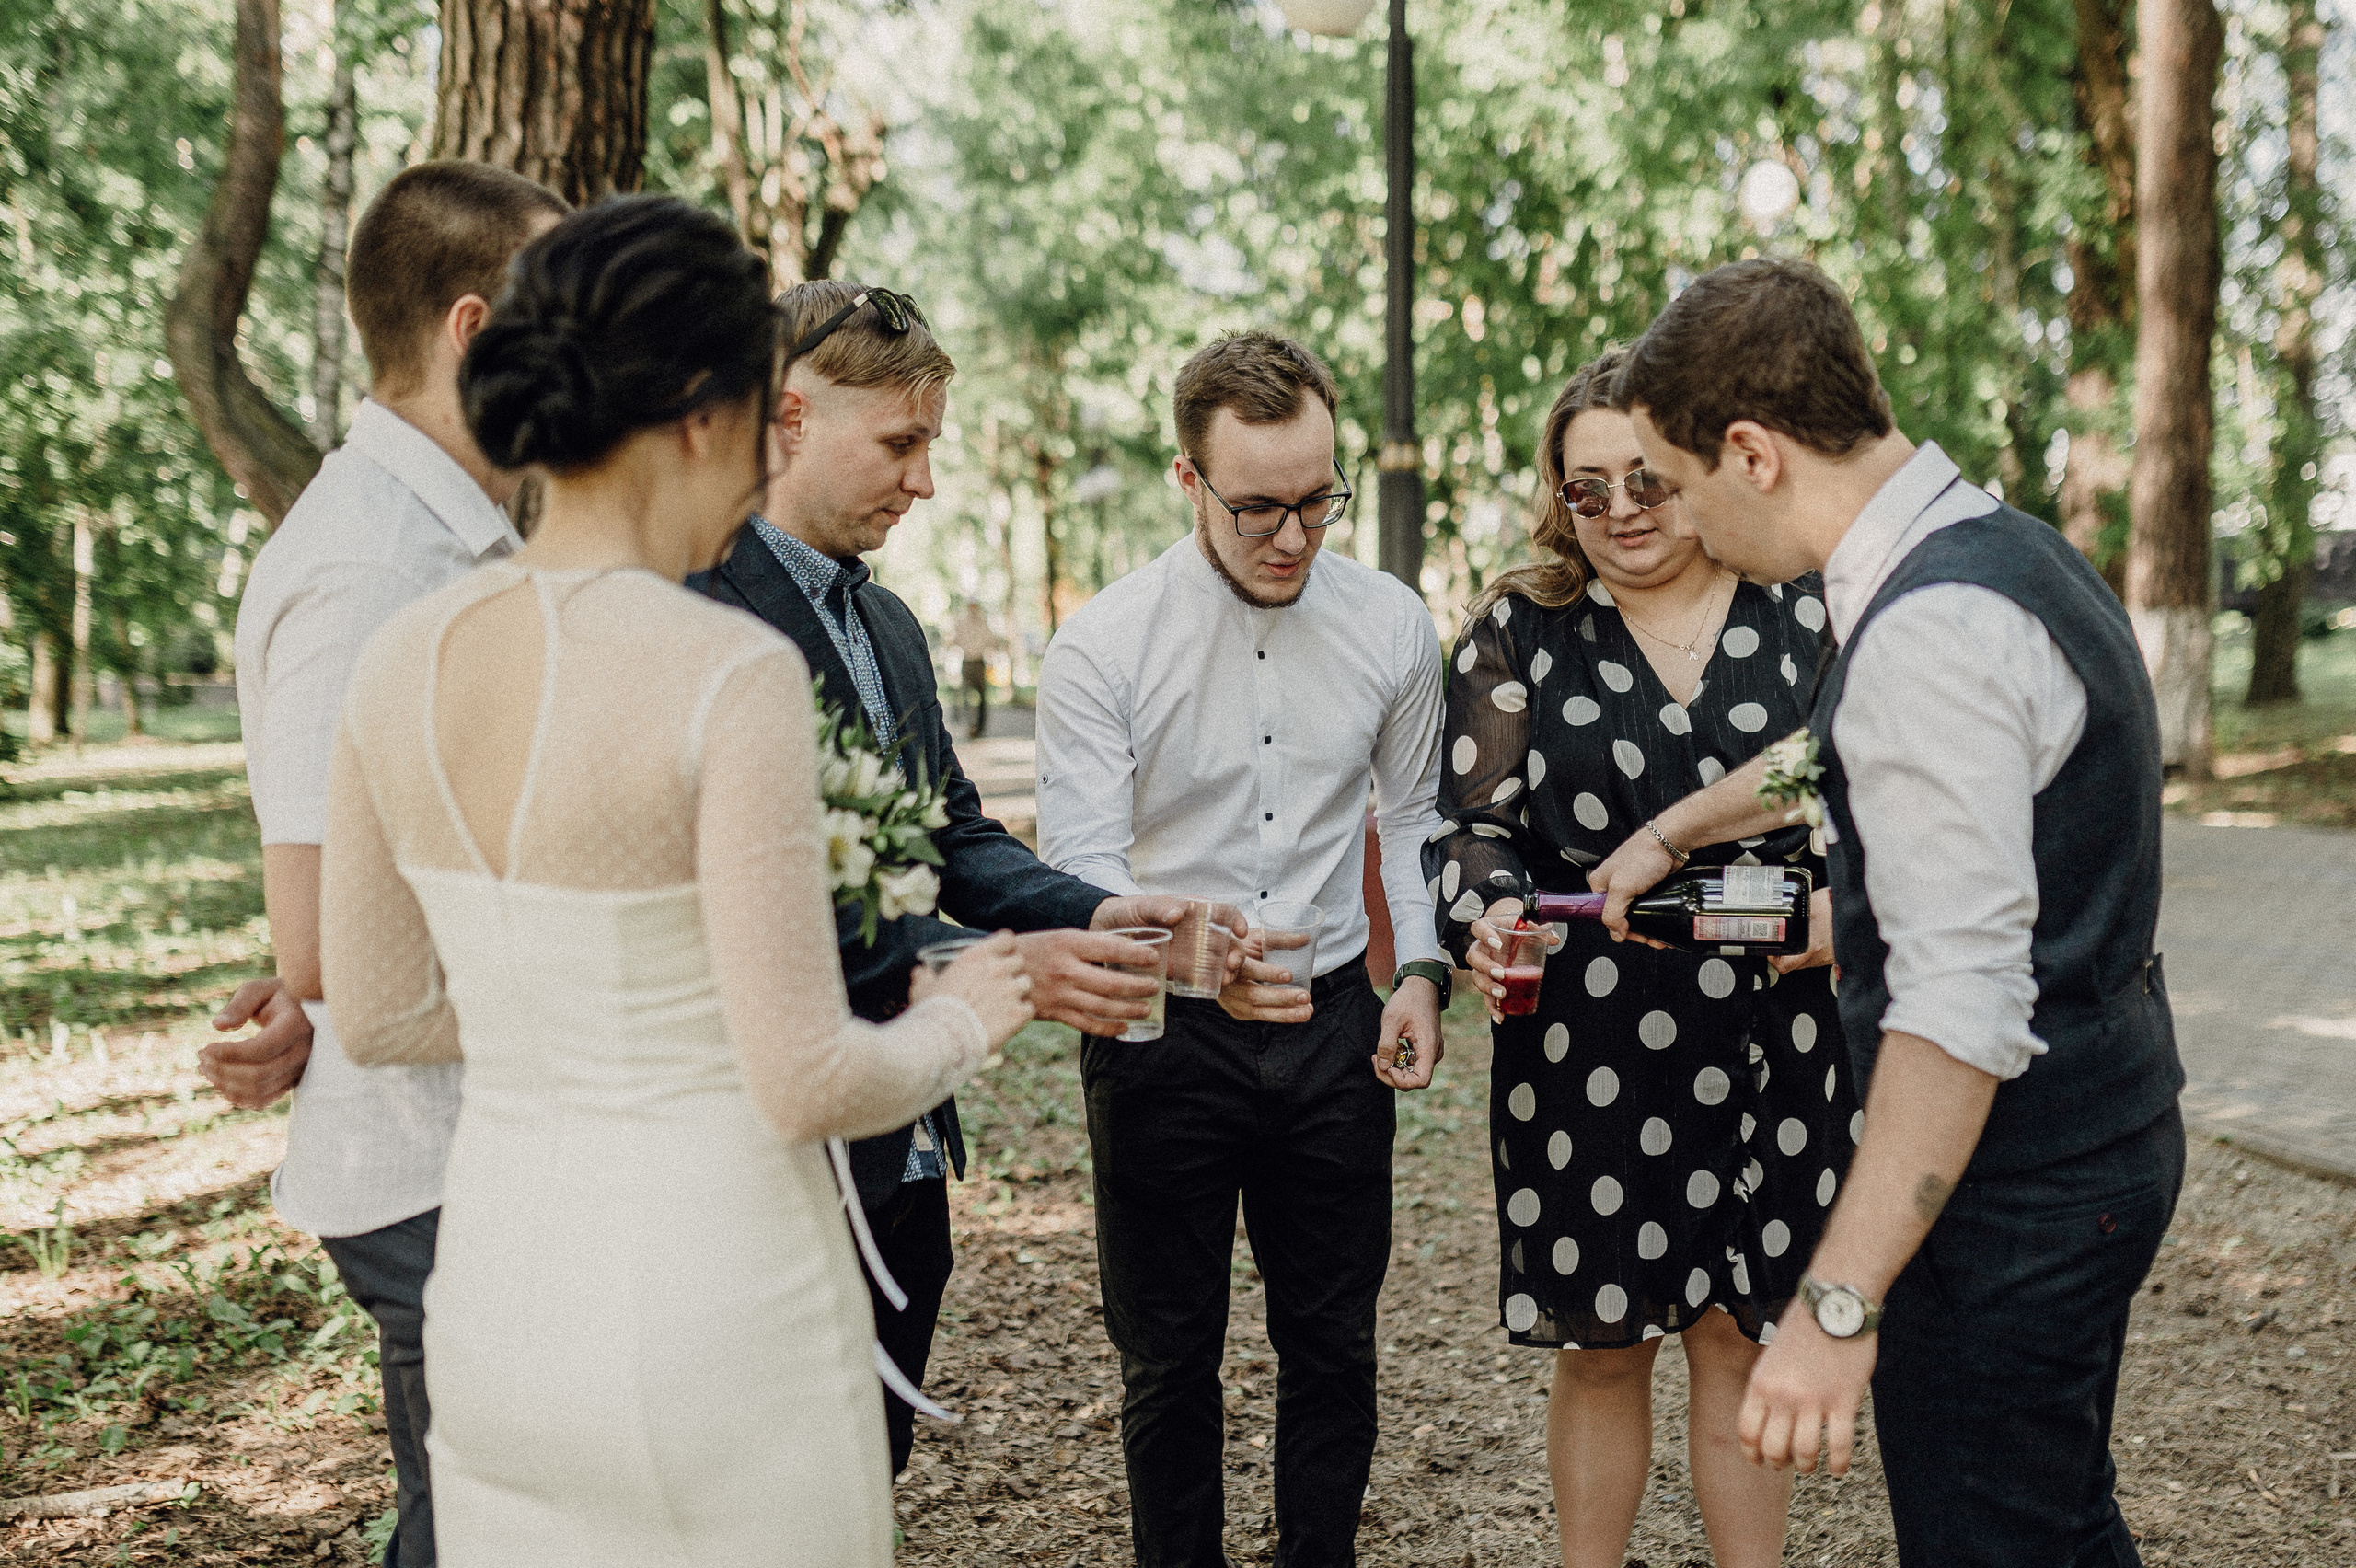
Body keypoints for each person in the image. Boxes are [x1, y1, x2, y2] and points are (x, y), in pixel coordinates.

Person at [318, 194, 1036, 1567]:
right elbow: (808, 1080)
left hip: (501, 1300)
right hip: (720, 1299)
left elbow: (382, 1013)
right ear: (705, 413)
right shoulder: (727, 672)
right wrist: (970, 1008)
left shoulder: (402, 653)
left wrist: (598, 1011)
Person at [1594, 258, 2184, 1566]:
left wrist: (1834, 1306)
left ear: (1749, 452)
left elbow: (1960, 1012)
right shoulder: (1997, 548)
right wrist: (1675, 831)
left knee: (1994, 1536)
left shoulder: (1930, 632)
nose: (1677, 522)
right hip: (2112, 1119)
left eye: (1679, 486)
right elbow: (1847, 757)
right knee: (2057, 1519)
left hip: (2021, 1183)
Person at [689, 277, 1243, 1482]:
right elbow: (720, 909)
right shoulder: (694, 611)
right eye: (902, 443)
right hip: (763, 1140)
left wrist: (1101, 910)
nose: (925, 482)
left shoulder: (886, 624)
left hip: (903, 1142)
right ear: (788, 415)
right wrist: (994, 970)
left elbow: (950, 837)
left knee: (862, 1473)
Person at [1426, 347, 1855, 1568]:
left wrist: (1847, 908)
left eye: (1646, 483)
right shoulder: (1524, 629)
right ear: (1555, 496)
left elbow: (1869, 786)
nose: (1618, 511)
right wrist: (1486, 920)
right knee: (1603, 1342)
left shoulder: (1803, 603)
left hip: (1781, 1028)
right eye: (1586, 488)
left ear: (1699, 467)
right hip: (1588, 1041)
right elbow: (1477, 827)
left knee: (1738, 1338)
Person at [1035, 329, 1449, 1568]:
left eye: (1319, 502)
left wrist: (1420, 972)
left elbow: (1417, 818)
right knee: (1167, 1357)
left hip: (1330, 1029)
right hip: (1162, 1037)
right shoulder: (1105, 645)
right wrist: (1183, 949)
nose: (1293, 536)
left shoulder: (1390, 623)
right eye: (1259, 506)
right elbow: (1080, 872)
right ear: (1189, 481)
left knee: (1334, 1344)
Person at [219, 160, 569, 1568]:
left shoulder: (457, 538)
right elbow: (316, 940)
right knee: (485, 1532)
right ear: (476, 334)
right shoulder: (369, 565)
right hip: (430, 1162)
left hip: (494, 1137)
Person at [951, 598, 1003, 739]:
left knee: (981, 697)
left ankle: (979, 727)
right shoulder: (961, 622)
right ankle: (970, 724)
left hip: (979, 662)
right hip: (967, 661)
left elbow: (992, 641)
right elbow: (954, 641)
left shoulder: (983, 623)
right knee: (966, 695)